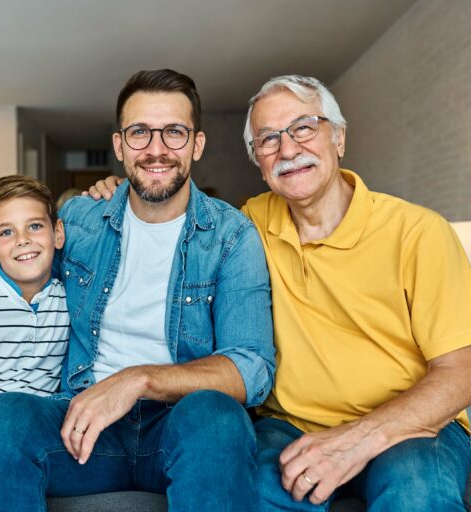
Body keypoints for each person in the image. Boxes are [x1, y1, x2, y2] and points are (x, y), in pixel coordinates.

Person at [85, 74, 471, 511]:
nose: (288, 149)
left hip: (409, 427)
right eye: (268, 139)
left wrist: (357, 440)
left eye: (304, 127)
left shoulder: (418, 232)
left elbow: (461, 370)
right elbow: (168, 206)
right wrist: (118, 191)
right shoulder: (247, 227)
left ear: (339, 137)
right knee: (255, 492)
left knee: (416, 495)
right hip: (289, 426)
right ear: (259, 162)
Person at [0, 69, 275, 512]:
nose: (156, 149)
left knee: (220, 418)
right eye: (140, 132)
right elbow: (18, 267)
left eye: (175, 132)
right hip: (81, 420)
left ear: (197, 145)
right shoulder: (82, 219)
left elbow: (252, 368)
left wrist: (137, 380)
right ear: (119, 145)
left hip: (180, 424)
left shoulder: (231, 235)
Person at [0, 175, 69, 509]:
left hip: (37, 433)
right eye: (7, 232)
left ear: (58, 233)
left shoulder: (70, 300)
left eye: (35, 226)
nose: (23, 241)